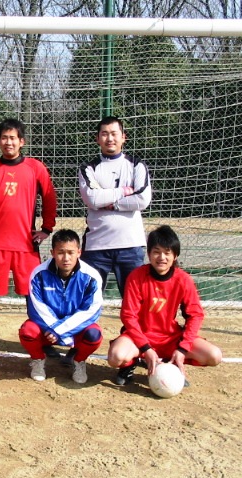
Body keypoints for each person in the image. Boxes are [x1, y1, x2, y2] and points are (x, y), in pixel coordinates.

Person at [107, 225, 222, 387]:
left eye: (167, 252)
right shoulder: (136, 277)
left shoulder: (183, 279)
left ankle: (173, 364)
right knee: (116, 357)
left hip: (170, 337)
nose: (161, 257)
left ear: (175, 255)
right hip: (140, 337)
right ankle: (131, 363)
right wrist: (146, 348)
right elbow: (128, 316)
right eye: (156, 252)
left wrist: (182, 349)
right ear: (149, 254)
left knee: (214, 356)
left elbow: (195, 315)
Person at [0, 118, 57, 302]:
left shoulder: (35, 168)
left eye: (13, 138)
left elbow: (49, 198)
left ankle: (36, 322)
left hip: (25, 245)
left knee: (34, 296)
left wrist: (47, 228)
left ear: (21, 141)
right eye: (4, 138)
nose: (8, 142)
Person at [78, 116, 152, 297]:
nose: (109, 138)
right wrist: (124, 191)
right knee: (88, 300)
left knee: (134, 301)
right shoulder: (88, 168)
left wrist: (110, 203)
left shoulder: (137, 165)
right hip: (96, 246)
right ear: (97, 139)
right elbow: (92, 199)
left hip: (131, 246)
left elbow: (142, 200)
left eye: (114, 133)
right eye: (104, 134)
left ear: (123, 137)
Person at [19, 229, 103, 384]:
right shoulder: (38, 273)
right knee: (28, 331)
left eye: (71, 252)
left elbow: (90, 311)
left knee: (94, 335)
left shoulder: (91, 276)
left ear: (79, 252)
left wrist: (60, 331)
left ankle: (79, 360)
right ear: (52, 253)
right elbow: (36, 308)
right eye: (60, 252)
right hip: (47, 330)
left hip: (72, 330)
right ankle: (38, 360)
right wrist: (55, 330)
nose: (66, 258)